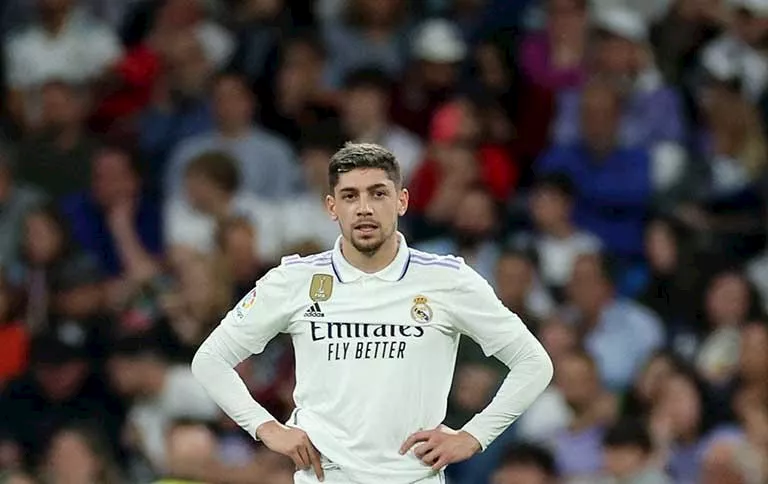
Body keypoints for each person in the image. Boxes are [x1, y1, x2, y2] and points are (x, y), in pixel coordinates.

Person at [191, 143, 553, 483]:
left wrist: (474, 436)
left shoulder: (448, 279)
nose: (364, 208)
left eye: (378, 193)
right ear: (332, 207)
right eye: (350, 196)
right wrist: (266, 428)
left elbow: (534, 363)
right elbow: (210, 360)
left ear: (402, 201)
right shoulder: (295, 279)